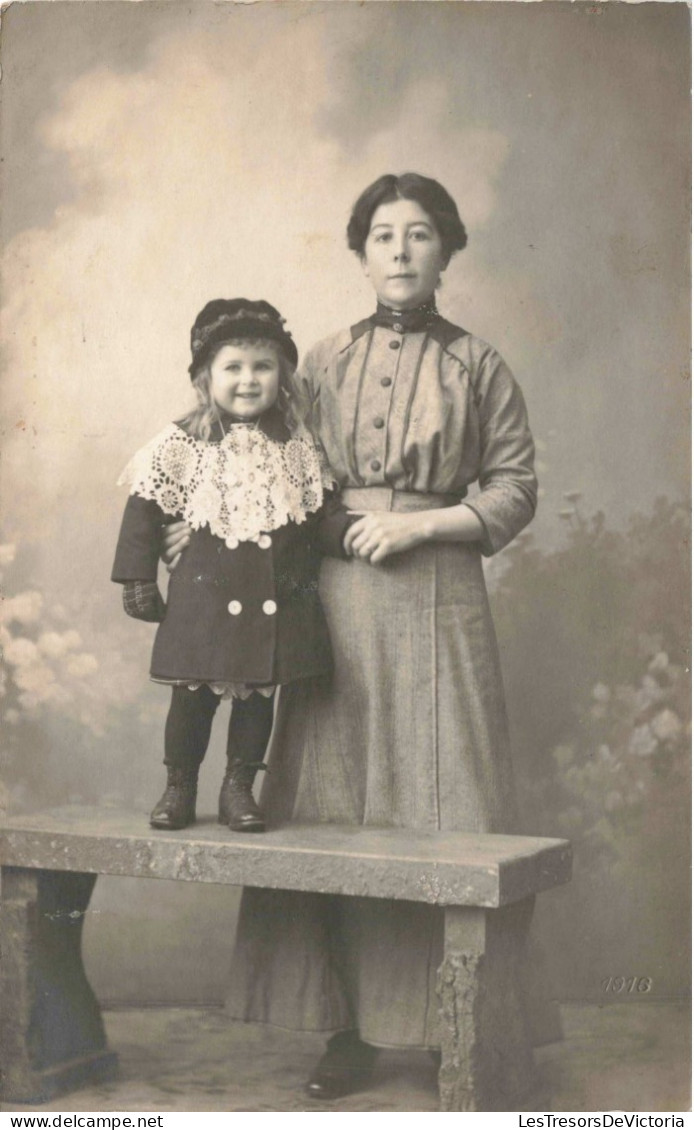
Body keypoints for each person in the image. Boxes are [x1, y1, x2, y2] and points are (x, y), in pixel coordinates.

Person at [163, 172, 538, 1098]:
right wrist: (190, 520)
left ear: (446, 250)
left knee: (444, 799)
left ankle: (461, 1030)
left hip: (440, 596)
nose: (401, 251)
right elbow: (255, 455)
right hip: (328, 596)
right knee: (331, 801)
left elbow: (514, 487)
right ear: (361, 252)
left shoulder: (479, 366)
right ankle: (349, 1031)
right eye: (382, 235)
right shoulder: (318, 362)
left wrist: (421, 526)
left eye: (419, 235)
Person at [112, 299, 351, 834]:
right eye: (233, 367)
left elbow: (318, 514)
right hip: (203, 603)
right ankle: (180, 785)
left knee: (255, 701)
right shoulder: (183, 442)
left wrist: (350, 533)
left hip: (272, 604)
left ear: (282, 377)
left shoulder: (297, 445)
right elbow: (144, 509)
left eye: (262, 367)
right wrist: (137, 576)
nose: (248, 380)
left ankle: (238, 787)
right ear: (205, 377)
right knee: (191, 702)